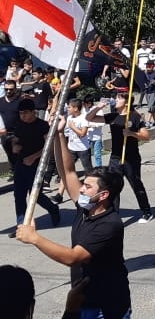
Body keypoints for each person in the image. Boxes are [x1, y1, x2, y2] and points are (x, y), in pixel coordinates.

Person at [15, 118, 132, 319]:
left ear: (103, 195)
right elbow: (68, 172)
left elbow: (72, 258)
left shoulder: (109, 224)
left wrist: (34, 237)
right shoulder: (86, 208)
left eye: (87, 187)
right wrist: (60, 135)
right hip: (83, 300)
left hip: (107, 306)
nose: (81, 189)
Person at [85, 91, 153, 224]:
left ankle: (146, 211)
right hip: (115, 157)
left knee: (136, 184)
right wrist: (99, 107)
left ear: (127, 102)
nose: (115, 100)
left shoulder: (134, 116)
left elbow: (146, 136)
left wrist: (132, 134)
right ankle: (113, 214)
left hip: (131, 157)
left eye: (119, 98)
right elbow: (89, 118)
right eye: (116, 97)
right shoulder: (113, 116)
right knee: (112, 186)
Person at [8, 98, 61, 236]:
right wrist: (15, 145)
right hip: (21, 163)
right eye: (20, 113)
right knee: (18, 195)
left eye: (25, 113)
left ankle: (53, 209)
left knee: (35, 194)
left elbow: (48, 147)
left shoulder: (43, 126)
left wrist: (34, 157)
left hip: (38, 164)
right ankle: (22, 226)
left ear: (33, 112)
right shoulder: (19, 124)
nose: (22, 116)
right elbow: (15, 138)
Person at [142, 61, 155, 127]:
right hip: (147, 92)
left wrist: (153, 81)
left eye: (149, 66)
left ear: (152, 66)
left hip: (154, 91)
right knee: (152, 107)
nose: (147, 67)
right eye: (147, 66)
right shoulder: (144, 74)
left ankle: (148, 121)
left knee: (150, 106)